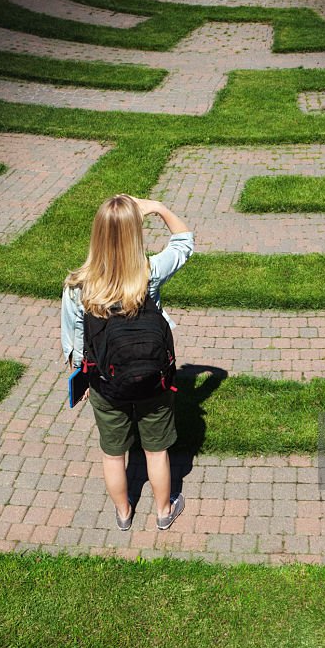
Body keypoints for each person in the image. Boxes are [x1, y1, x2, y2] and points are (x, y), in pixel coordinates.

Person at [61, 194, 193, 531]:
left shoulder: (79, 285)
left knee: (112, 454)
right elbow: (184, 241)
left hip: (106, 383)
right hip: (155, 381)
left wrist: (82, 375)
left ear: (97, 234)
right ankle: (164, 511)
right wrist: (160, 207)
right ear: (136, 234)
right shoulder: (150, 272)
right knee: (156, 451)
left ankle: (123, 514)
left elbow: (75, 342)